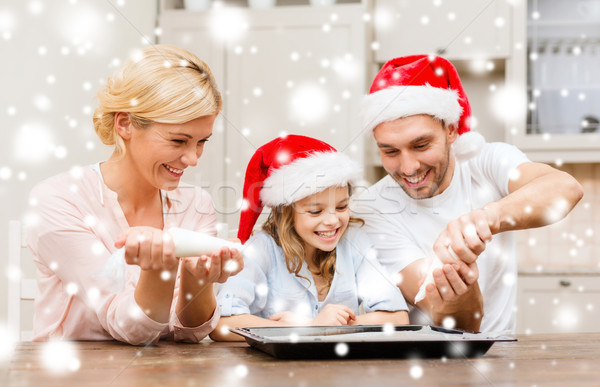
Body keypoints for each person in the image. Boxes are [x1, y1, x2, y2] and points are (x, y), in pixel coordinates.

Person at [26, 45, 243, 345]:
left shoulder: (197, 204)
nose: (193, 159)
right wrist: (160, 271)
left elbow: (190, 333)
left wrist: (198, 281)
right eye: (178, 140)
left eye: (201, 142)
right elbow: (129, 329)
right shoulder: (58, 200)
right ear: (125, 123)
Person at [353, 55, 583, 333]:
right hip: (423, 363)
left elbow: (565, 188)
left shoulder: (486, 161)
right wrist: (459, 282)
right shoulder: (372, 209)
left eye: (421, 145)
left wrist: (487, 218)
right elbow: (452, 322)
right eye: (390, 151)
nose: (408, 166)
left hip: (502, 354)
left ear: (451, 130)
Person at [210, 135, 409, 341]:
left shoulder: (355, 241)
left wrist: (326, 328)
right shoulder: (261, 249)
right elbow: (223, 325)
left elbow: (398, 318)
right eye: (315, 211)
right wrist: (310, 326)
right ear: (286, 213)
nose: (333, 220)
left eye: (341, 207)